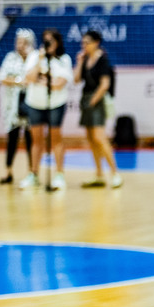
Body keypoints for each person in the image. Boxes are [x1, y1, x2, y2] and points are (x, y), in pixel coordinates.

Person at [20, 28, 73, 191]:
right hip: (35, 103)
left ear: (58, 42)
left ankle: (59, 174)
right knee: (36, 140)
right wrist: (40, 61)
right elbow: (28, 78)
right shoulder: (35, 56)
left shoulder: (64, 59)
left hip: (55, 104)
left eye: (52, 40)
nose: (49, 43)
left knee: (55, 138)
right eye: (46, 40)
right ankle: (33, 174)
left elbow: (59, 84)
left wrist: (44, 79)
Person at [75, 30, 122, 189]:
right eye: (82, 43)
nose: (84, 46)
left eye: (87, 42)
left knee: (100, 138)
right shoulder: (85, 58)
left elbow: (105, 84)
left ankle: (115, 174)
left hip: (97, 101)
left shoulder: (103, 59)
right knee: (91, 138)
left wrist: (93, 101)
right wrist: (79, 61)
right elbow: (76, 80)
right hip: (86, 99)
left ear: (96, 43)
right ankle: (99, 175)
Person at [0, 29, 35, 185]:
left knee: (30, 139)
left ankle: (32, 172)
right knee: (12, 138)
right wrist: (19, 81)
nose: (19, 44)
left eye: (22, 42)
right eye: (18, 41)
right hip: (13, 105)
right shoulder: (10, 58)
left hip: (31, 103)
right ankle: (8, 171)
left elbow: (35, 78)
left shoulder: (34, 58)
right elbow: (3, 78)